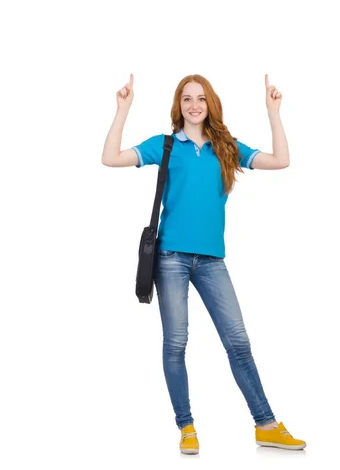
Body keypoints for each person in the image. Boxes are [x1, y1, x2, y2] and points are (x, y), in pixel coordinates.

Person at [101, 73, 305, 454]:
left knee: (238, 343)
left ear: (210, 103)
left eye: (200, 98)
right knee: (176, 343)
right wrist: (122, 110)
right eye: (186, 99)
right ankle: (187, 426)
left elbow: (282, 160)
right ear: (178, 106)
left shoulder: (226, 146)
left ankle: (266, 424)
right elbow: (110, 158)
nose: (194, 105)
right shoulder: (165, 146)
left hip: (212, 260)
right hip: (171, 258)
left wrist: (273, 112)